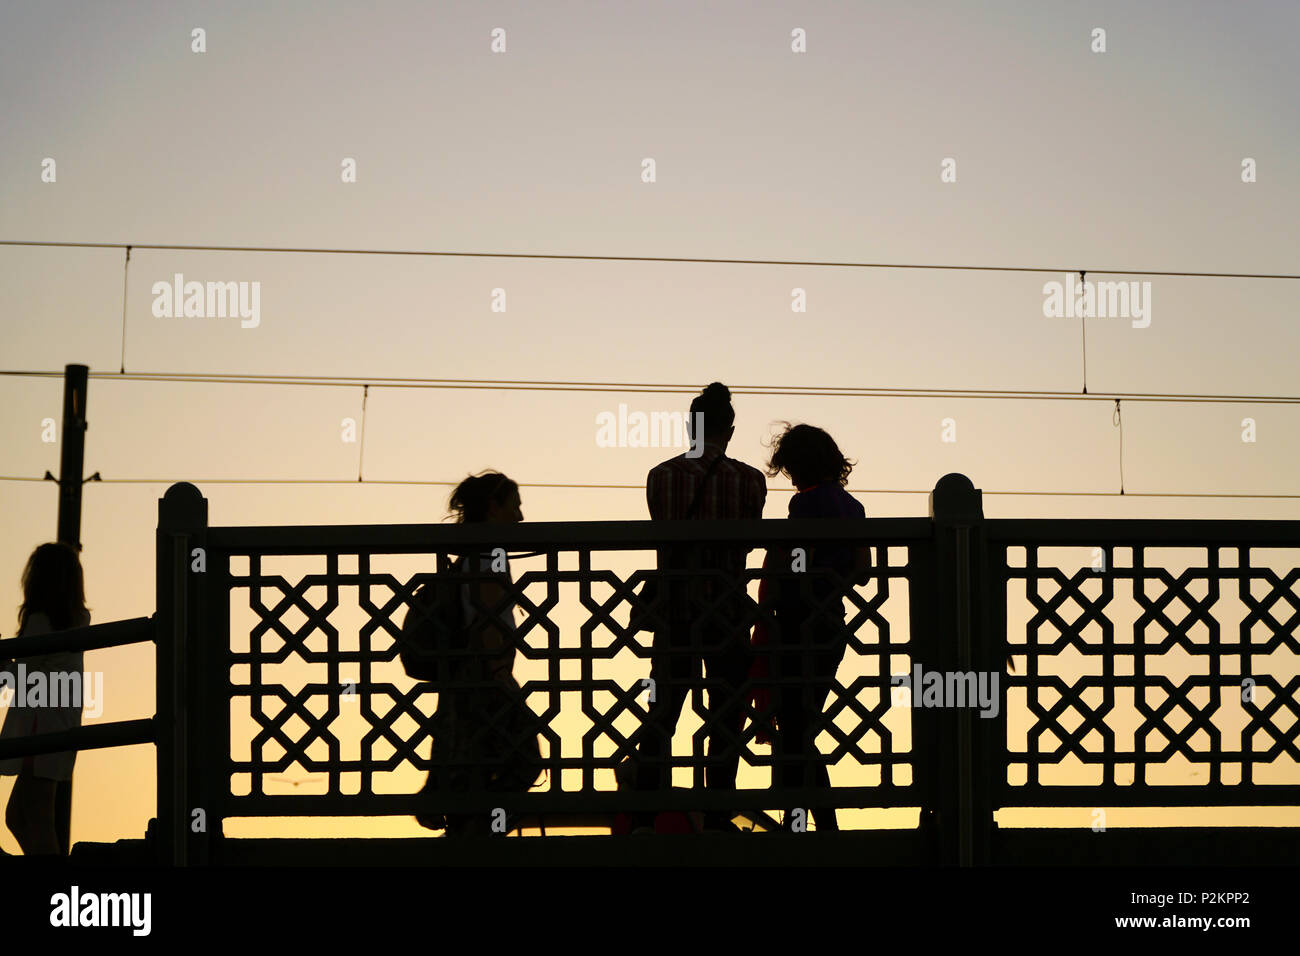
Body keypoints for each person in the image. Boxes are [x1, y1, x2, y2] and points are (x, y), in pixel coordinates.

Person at [620, 382, 766, 832]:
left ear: (690, 426)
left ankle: (648, 808)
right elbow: (750, 540)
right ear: (732, 429)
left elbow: (662, 533)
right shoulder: (749, 480)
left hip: (674, 609)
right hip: (725, 611)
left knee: (664, 709)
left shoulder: (659, 476)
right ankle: (718, 812)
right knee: (724, 711)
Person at [415, 472, 544, 836]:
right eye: (515, 507)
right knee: (524, 760)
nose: (520, 518)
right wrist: (503, 680)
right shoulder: (489, 561)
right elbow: (489, 628)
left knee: (468, 772)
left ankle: (471, 830)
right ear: (494, 508)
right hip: (487, 684)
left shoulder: (470, 560)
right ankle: (481, 832)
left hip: (466, 684)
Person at [757, 424, 870, 832]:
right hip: (830, 627)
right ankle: (810, 823)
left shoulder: (803, 508)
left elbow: (791, 563)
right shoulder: (853, 507)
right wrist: (831, 577)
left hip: (794, 626)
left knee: (794, 730)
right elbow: (863, 570)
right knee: (803, 725)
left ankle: (808, 824)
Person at [1, 542, 91, 855]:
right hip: (59, 724)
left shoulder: (40, 621)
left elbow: (20, 679)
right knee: (23, 816)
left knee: (34, 819)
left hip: (39, 727)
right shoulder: (77, 620)